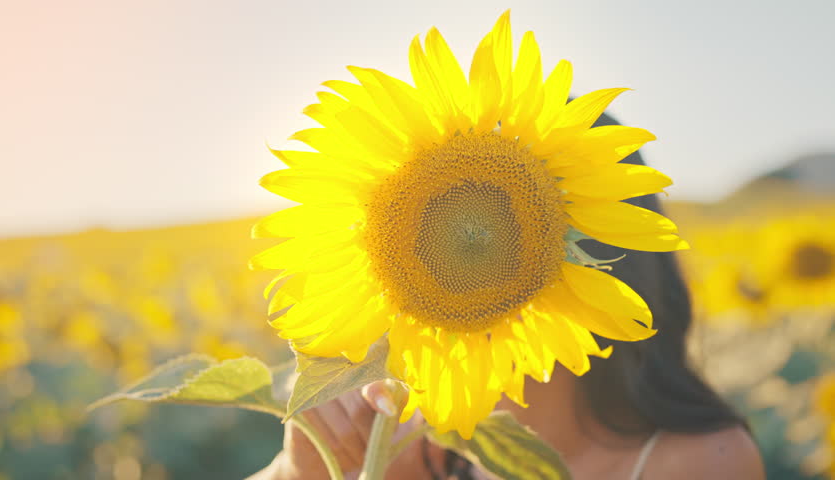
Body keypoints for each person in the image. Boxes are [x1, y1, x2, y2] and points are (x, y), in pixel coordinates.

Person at [253, 114, 766, 480]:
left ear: (602, 261)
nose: (461, 258)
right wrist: (300, 470)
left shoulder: (702, 463)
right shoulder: (415, 442)